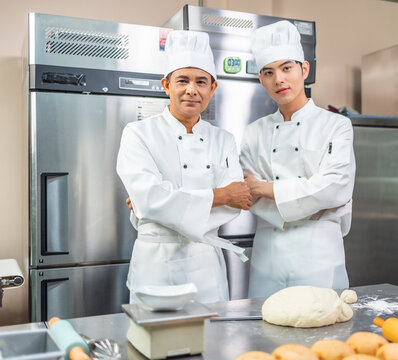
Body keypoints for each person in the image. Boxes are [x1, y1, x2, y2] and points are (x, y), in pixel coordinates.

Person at [117, 30, 252, 304]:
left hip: (206, 264)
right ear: (166, 85)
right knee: (154, 344)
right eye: (183, 80)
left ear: (212, 89)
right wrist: (221, 195)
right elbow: (149, 198)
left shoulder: (223, 139)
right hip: (155, 263)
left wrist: (160, 206)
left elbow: (236, 204)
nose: (192, 89)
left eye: (201, 81)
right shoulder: (138, 133)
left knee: (212, 343)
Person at [240, 21, 356, 298]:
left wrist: (264, 189)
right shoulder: (254, 132)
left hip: (319, 258)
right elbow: (246, 193)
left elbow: (335, 188)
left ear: (304, 69)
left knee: (324, 335)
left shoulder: (336, 125)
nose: (278, 79)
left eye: (286, 68)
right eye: (268, 72)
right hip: (268, 259)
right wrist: (315, 199)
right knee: (265, 335)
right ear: (261, 79)